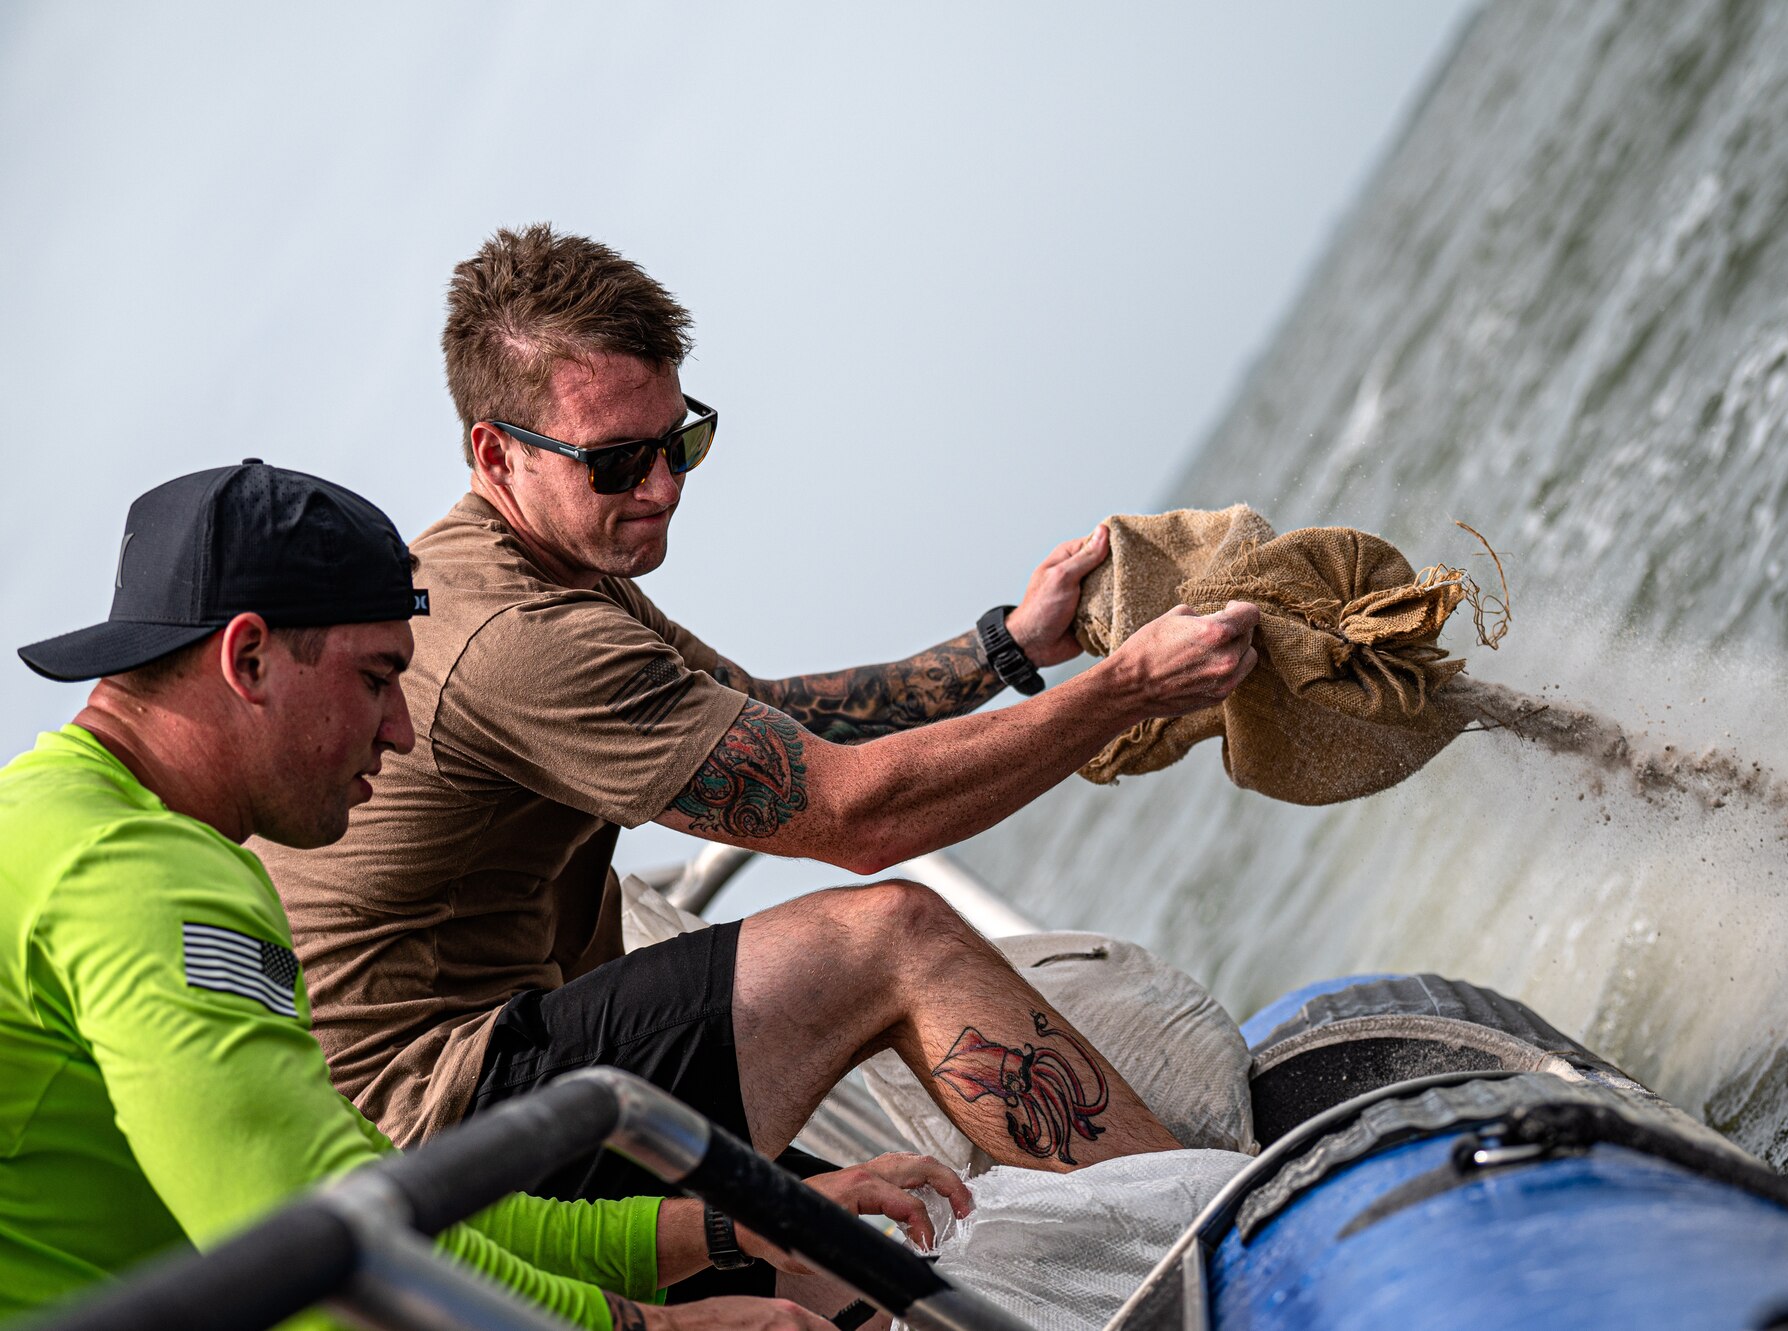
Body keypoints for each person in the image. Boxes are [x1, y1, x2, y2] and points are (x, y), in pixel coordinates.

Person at [258, 224, 1260, 1299]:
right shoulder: (517, 636)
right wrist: (1125, 690)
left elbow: (771, 722)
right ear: (494, 452)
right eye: (615, 460)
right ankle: (1219, 1264)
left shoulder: (550, 567)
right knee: (889, 936)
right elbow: (854, 817)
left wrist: (1005, 648)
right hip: (454, 1134)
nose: (661, 486)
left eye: (677, 440)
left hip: (502, 1084)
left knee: (879, 1272)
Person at [2, 461, 967, 1331]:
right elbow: (318, 1251)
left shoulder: (59, 825)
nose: (401, 731)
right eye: (379, 678)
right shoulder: (134, 870)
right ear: (247, 659)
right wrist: (653, 1329)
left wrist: (731, 1230)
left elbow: (395, 1200)